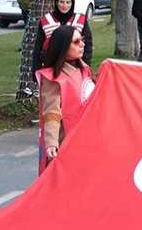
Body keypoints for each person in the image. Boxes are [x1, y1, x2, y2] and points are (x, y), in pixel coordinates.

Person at [36, 25, 95, 174]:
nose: (82, 44)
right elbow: (51, 113)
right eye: (76, 42)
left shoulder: (85, 69)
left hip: (87, 141)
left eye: (81, 40)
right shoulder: (53, 78)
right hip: (66, 144)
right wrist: (51, 143)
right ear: (63, 47)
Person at [33, 0, 92, 72]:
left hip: (75, 67)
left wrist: (86, 65)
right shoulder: (46, 20)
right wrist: (36, 69)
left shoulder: (81, 20)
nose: (65, 5)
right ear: (56, 2)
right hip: (51, 65)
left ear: (72, 4)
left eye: (68, 2)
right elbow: (38, 47)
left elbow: (88, 45)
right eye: (62, 2)